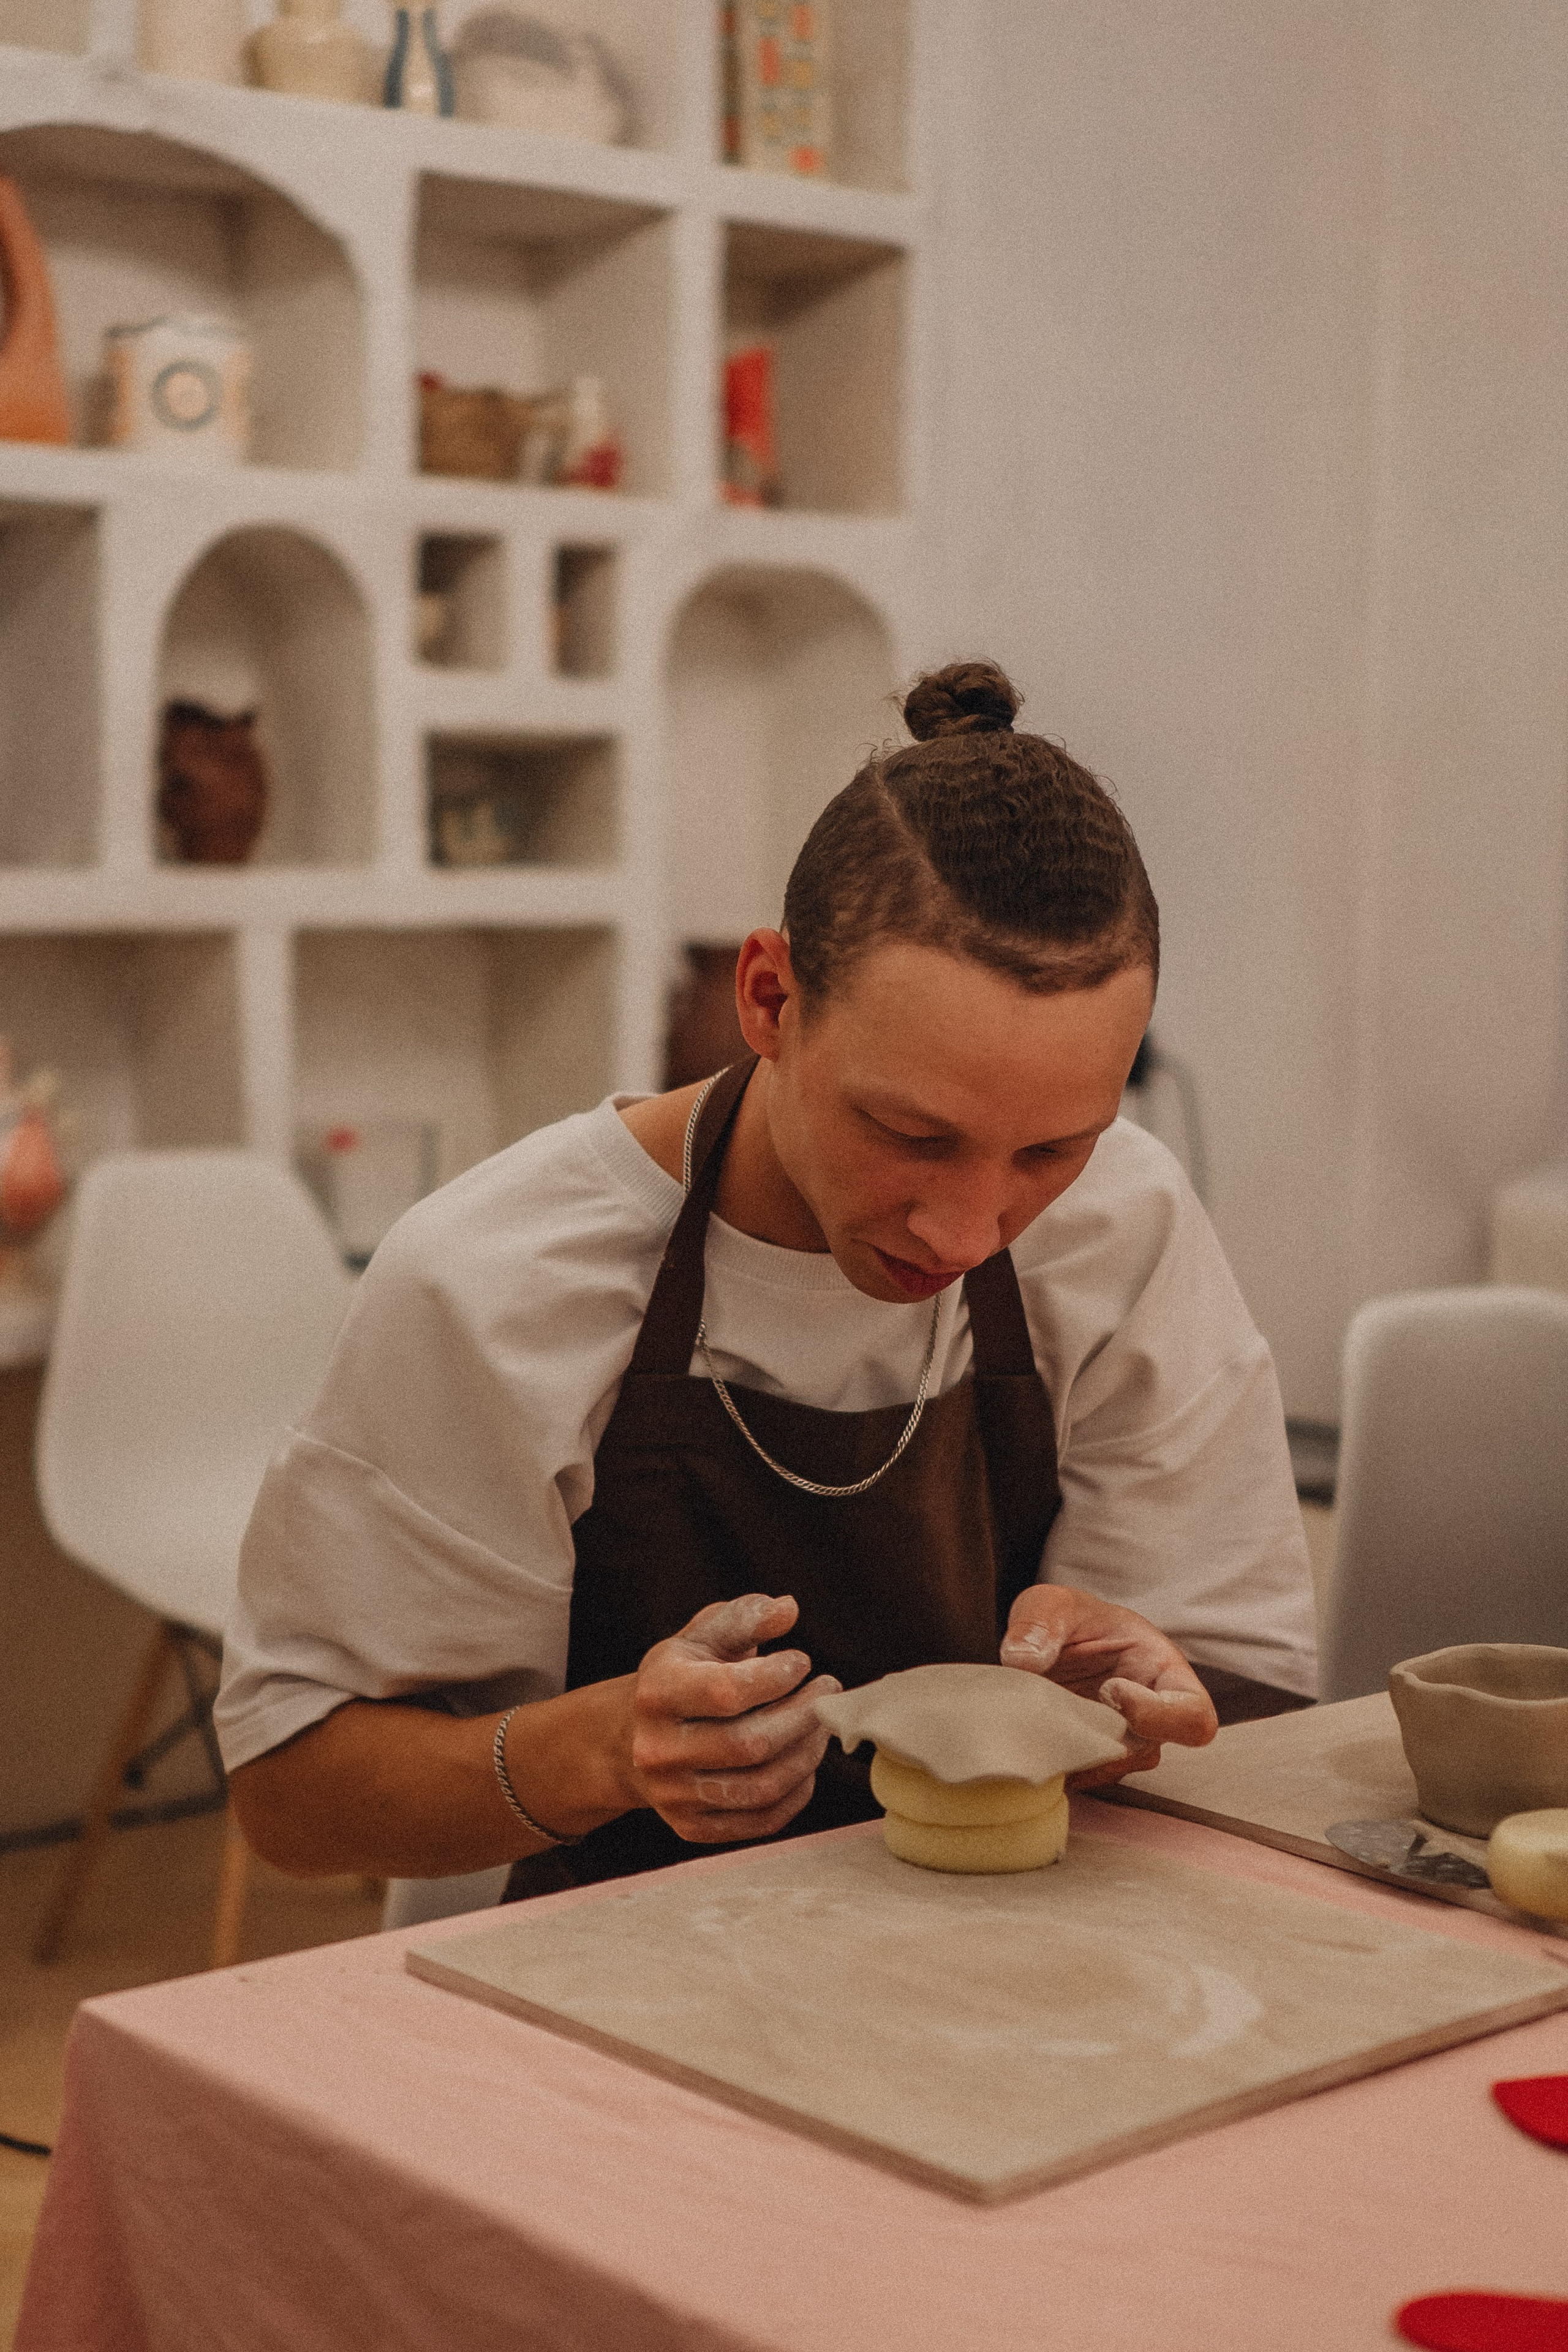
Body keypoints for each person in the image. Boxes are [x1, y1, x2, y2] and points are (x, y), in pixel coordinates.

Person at [219, 660, 1316, 1891]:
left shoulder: (1124, 1219)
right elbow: (294, 1798)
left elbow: (1247, 1695)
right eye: (911, 1134)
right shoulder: (496, 1282)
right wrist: (599, 1753)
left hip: (1005, 1953)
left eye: (1048, 1149)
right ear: (768, 996)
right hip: (601, 1979)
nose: (965, 1230)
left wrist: (1125, 1706)